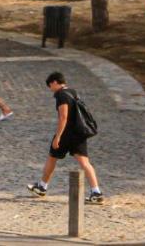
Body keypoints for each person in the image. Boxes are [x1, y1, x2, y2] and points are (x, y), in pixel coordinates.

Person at [27, 71, 103, 204]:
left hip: (67, 134)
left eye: (50, 86)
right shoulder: (73, 92)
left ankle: (42, 187)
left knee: (52, 157)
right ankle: (96, 192)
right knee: (85, 163)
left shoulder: (61, 95)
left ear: (55, 82)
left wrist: (58, 136)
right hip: (79, 133)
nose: (51, 90)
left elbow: (63, 117)